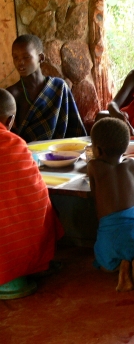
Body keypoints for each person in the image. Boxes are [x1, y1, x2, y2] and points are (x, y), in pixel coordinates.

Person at [0, 88, 64, 292]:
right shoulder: (15, 143)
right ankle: (28, 264)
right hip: (23, 242)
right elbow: (36, 193)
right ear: (10, 120)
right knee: (44, 206)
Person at [87, 117, 134, 293]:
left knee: (104, 264)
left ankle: (121, 269)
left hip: (111, 233)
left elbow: (95, 195)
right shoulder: (132, 164)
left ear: (98, 149)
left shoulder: (94, 167)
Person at [7, 34, 86, 143]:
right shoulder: (11, 94)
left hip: (61, 150)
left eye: (26, 57)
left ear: (41, 58)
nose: (20, 62)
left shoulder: (59, 87)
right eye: (15, 57)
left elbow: (74, 128)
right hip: (27, 152)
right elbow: (8, 136)